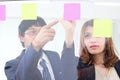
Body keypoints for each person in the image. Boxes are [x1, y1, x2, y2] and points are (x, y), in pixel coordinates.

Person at [4, 16, 78, 80]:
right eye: (33, 32)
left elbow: (68, 74)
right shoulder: (12, 65)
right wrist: (36, 44)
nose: (38, 36)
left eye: (41, 32)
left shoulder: (53, 55)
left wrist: (69, 32)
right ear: (21, 37)